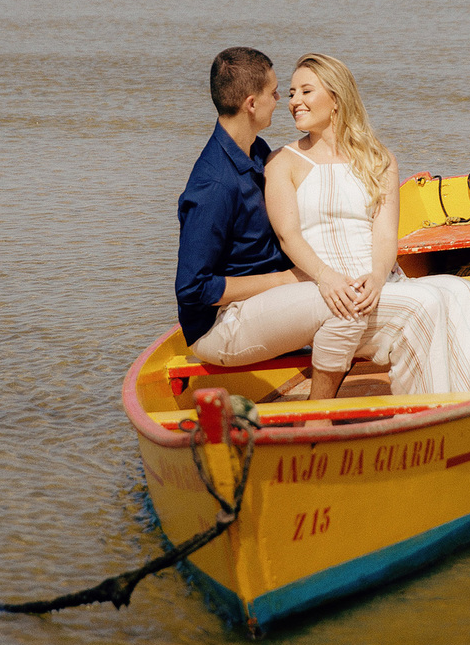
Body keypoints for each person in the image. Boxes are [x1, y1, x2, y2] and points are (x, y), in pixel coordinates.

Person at [176, 46, 450, 402]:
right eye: (276, 92)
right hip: (220, 327)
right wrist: (293, 278)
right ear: (251, 103)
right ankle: (318, 414)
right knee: (343, 303)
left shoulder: (256, 153)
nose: (283, 100)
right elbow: (194, 290)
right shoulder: (213, 185)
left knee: (427, 298)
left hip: (269, 302)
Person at [263, 53, 470, 399]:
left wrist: (378, 277)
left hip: (378, 281)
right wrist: (327, 277)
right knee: (426, 304)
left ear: (336, 98)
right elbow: (287, 237)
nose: (294, 102)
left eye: (306, 92)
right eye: (291, 93)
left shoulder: (379, 159)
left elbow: (384, 235)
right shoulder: (282, 162)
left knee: (465, 292)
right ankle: (427, 411)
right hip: (327, 289)